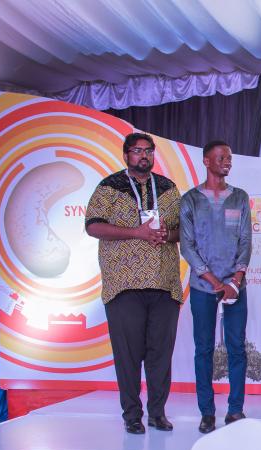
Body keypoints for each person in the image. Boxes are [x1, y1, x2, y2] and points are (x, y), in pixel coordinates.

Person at [84, 133, 182, 434]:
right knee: (127, 355)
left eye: (149, 151)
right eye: (138, 151)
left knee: (160, 354)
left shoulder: (168, 188)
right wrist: (136, 232)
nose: (144, 156)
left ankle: (157, 413)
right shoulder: (109, 187)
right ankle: (131, 415)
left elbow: (184, 230)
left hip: (164, 283)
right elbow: (93, 226)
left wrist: (168, 234)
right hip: (124, 284)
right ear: (126, 155)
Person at [179, 140, 252, 434]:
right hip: (203, 287)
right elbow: (187, 246)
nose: (227, 162)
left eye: (230, 158)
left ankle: (235, 410)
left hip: (235, 288)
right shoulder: (190, 200)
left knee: (237, 347)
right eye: (221, 157)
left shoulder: (240, 197)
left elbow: (246, 241)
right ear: (206, 162)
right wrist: (214, 282)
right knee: (204, 349)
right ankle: (207, 413)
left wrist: (234, 281)